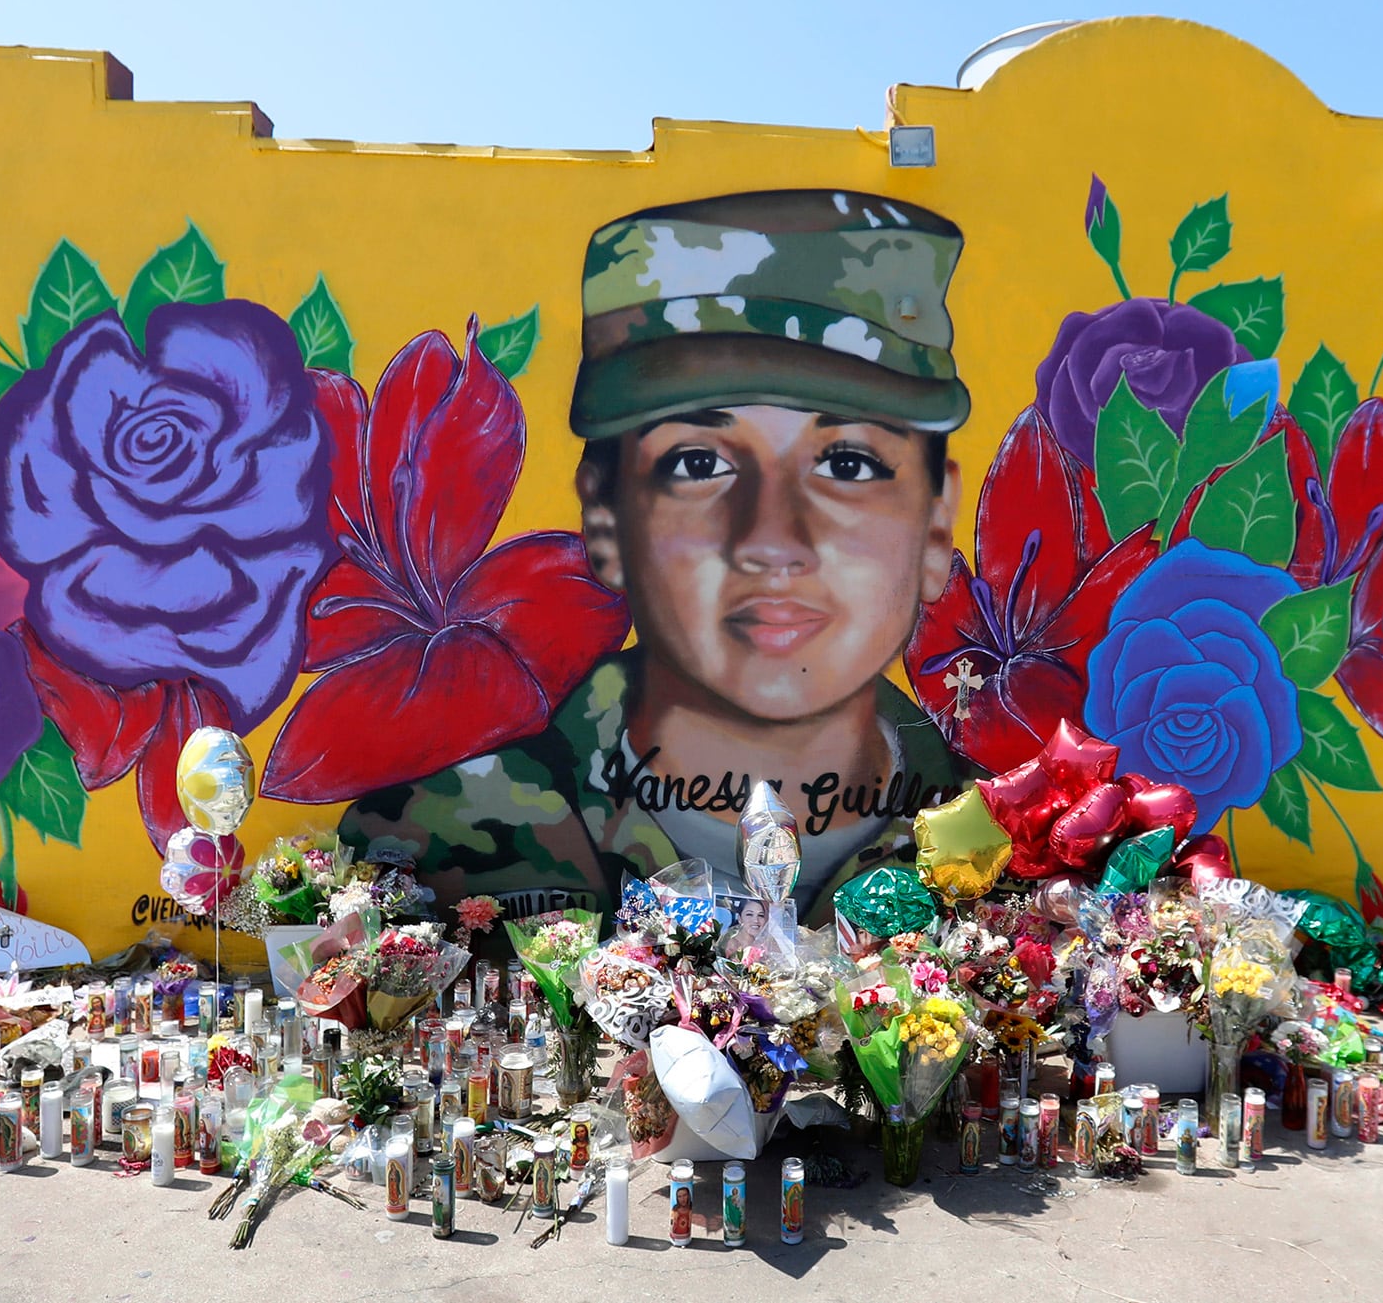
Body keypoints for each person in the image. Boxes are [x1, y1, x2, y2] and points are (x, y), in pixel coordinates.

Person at [340, 189, 974, 925]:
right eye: (699, 462)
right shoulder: (423, 850)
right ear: (605, 520)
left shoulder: (1016, 851)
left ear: (934, 528)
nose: (772, 541)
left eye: (850, 464)